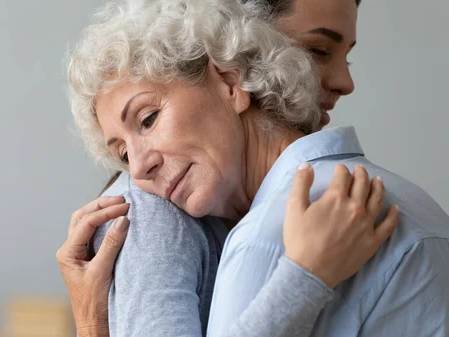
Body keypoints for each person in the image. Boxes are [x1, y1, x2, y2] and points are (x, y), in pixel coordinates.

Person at [56, 0, 417, 336]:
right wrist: (306, 277)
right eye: (122, 154)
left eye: (149, 120)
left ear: (230, 82)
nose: (137, 168)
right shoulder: (147, 215)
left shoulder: (260, 194)